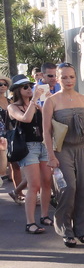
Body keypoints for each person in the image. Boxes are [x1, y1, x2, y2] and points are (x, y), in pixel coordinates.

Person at [42, 63, 84, 247]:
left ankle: (82, 229)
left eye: (71, 77)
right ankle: (65, 230)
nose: (68, 80)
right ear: (58, 79)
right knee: (68, 189)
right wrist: (51, 156)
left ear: (76, 78)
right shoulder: (51, 101)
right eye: (64, 77)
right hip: (62, 150)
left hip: (83, 148)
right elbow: (46, 132)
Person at [7, 74, 52, 234]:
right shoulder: (13, 107)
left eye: (30, 86)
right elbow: (25, 119)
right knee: (34, 185)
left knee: (47, 182)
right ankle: (30, 222)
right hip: (27, 147)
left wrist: (48, 100)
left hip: (43, 145)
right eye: (25, 87)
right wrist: (35, 101)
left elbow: (47, 123)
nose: (29, 89)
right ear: (18, 90)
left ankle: (45, 215)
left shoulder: (37, 105)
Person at [0, 76, 27, 204]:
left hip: (10, 135)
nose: (2, 86)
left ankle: (18, 193)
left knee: (15, 164)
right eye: (0, 84)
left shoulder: (10, 102)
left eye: (5, 84)